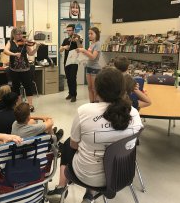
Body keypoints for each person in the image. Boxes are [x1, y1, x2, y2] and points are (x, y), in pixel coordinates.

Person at [46, 68, 143, 203]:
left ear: (96, 90)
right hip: (122, 175)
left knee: (68, 144)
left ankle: (61, 187)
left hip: (87, 176)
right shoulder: (134, 113)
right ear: (122, 89)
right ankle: (89, 196)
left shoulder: (85, 111)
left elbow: (74, 146)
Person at [3, 27, 40, 112]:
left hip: (25, 69)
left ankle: (30, 105)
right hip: (14, 69)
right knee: (16, 88)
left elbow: (31, 53)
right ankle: (19, 105)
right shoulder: (10, 42)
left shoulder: (25, 43)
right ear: (13, 35)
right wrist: (14, 54)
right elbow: (5, 51)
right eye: (18, 34)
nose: (20, 36)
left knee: (28, 86)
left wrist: (37, 47)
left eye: (21, 34)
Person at [76, 27, 102, 103]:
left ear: (96, 34)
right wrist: (82, 53)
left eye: (91, 33)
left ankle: (96, 105)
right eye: (89, 34)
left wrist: (84, 50)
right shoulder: (92, 44)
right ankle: (91, 103)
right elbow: (88, 55)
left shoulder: (98, 44)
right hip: (89, 67)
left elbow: (93, 57)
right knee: (89, 87)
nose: (89, 35)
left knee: (94, 88)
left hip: (95, 68)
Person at [60, 24, 83, 102]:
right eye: (67, 30)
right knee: (68, 78)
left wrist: (77, 41)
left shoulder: (77, 38)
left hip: (74, 61)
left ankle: (74, 95)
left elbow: (81, 48)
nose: (68, 32)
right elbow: (60, 50)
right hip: (66, 61)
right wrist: (64, 47)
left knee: (73, 78)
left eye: (70, 30)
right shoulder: (66, 40)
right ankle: (70, 93)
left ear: (74, 30)